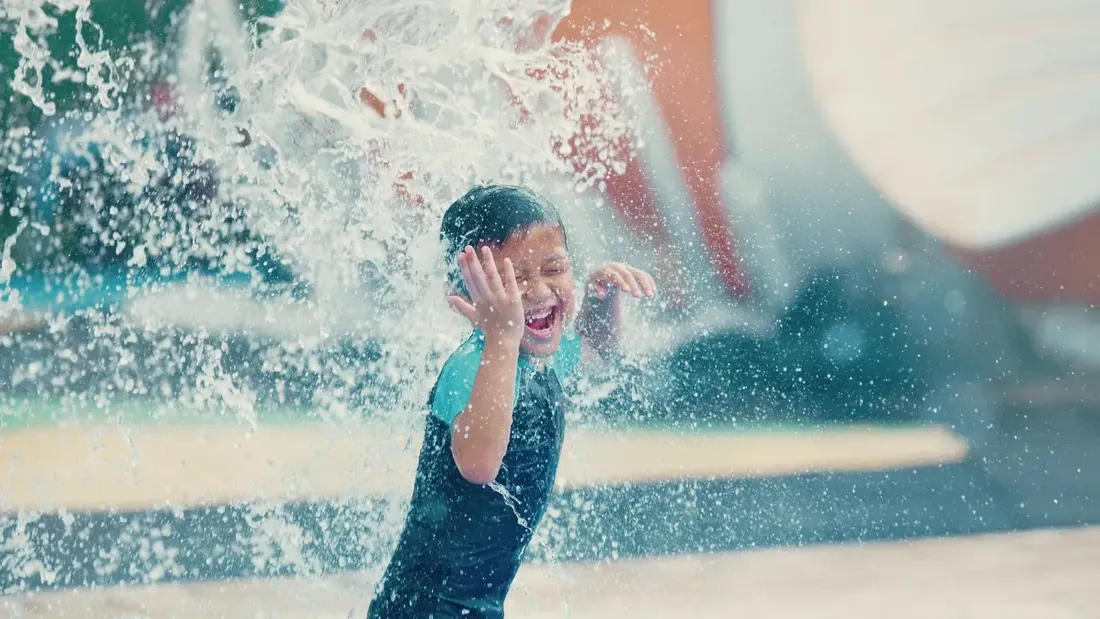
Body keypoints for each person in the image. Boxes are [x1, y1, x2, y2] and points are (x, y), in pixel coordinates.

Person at [367, 184, 656, 618]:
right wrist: (501, 336)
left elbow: (597, 351)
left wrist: (604, 299)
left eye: (554, 268)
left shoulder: (538, 358)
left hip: (474, 605)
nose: (539, 291)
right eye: (511, 280)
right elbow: (479, 465)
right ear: (465, 297)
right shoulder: (472, 366)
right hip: (425, 606)